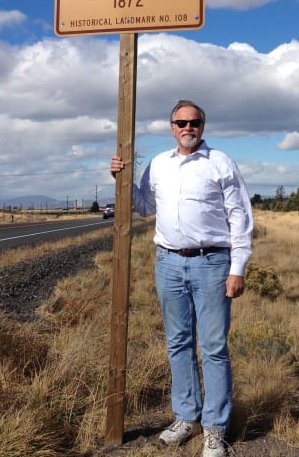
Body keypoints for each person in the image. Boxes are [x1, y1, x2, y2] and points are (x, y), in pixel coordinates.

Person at [110, 99, 253, 457]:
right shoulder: (159, 164)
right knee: (177, 343)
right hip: (169, 264)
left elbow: (239, 216)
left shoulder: (220, 163)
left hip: (212, 263)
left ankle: (214, 429)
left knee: (214, 348)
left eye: (195, 122)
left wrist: (238, 268)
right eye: (181, 122)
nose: (188, 128)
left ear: (203, 126)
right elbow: (144, 206)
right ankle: (186, 416)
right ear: (171, 126)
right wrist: (121, 178)